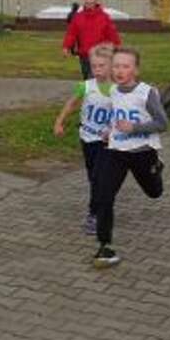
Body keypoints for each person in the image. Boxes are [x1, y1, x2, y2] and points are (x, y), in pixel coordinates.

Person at [93, 47, 167, 268]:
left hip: (143, 152)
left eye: (125, 66)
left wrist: (133, 127)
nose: (119, 70)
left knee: (154, 193)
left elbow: (162, 123)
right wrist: (109, 130)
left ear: (135, 70)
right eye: (116, 65)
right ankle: (105, 247)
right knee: (103, 195)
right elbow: (117, 116)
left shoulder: (147, 92)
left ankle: (157, 167)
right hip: (116, 151)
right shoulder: (113, 91)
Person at [54, 44, 114, 235]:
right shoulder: (86, 86)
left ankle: (94, 214)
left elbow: (125, 115)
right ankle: (101, 202)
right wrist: (59, 122)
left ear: (112, 65)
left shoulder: (118, 90)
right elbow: (71, 104)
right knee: (93, 177)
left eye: (101, 66)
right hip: (86, 139)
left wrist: (112, 131)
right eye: (94, 66)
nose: (97, 70)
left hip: (106, 142)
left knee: (99, 178)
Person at [62, 0, 121, 79]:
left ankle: (97, 91)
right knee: (87, 79)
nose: (88, 1)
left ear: (96, 0)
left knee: (94, 78)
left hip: (100, 55)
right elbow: (71, 34)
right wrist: (66, 47)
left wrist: (116, 46)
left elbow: (112, 34)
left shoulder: (104, 17)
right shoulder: (78, 17)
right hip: (84, 55)